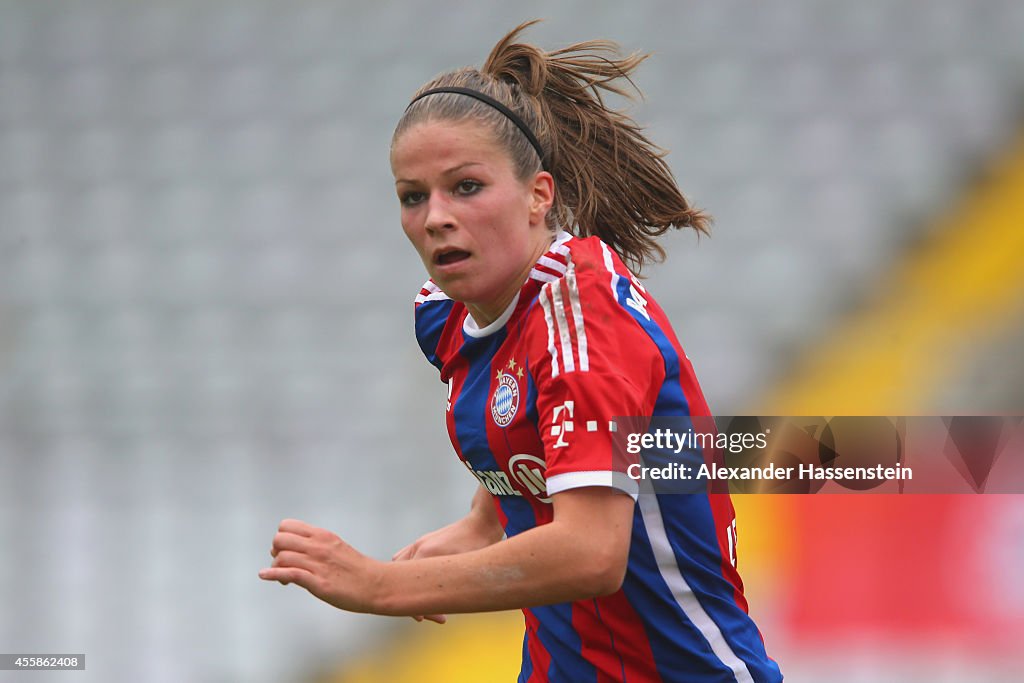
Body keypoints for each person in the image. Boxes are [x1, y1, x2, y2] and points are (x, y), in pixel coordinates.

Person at [260, 20, 783, 683]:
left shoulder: (584, 322)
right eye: (412, 196)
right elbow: (523, 423)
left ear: (539, 196)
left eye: (466, 187)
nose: (435, 217)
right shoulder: (446, 313)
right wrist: (484, 520)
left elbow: (593, 554)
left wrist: (379, 586)